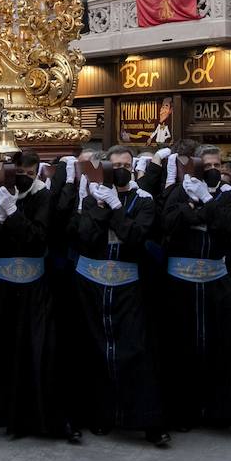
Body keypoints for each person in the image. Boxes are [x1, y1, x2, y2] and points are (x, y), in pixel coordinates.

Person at [159, 146, 231, 433]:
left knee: (228, 345)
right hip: (179, 282)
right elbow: (169, 225)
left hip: (214, 278)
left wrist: (206, 203)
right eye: (206, 164)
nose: (211, 169)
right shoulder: (178, 191)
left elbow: (230, 226)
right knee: (178, 346)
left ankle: (230, 411)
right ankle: (180, 411)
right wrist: (194, 210)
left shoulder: (229, 194)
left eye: (216, 164)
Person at [70, 146, 166, 444]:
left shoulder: (144, 200)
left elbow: (137, 237)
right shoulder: (91, 198)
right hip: (93, 282)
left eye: (127, 164)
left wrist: (116, 209)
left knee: (134, 350)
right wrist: (101, 206)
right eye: (116, 165)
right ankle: (101, 414)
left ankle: (147, 420)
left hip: (128, 285)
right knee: (95, 348)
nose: (121, 169)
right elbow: (85, 236)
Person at [0, 150, 75, 441]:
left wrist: (14, 214)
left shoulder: (42, 198)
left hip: (34, 286)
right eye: (17, 173)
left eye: (29, 174)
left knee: (41, 351)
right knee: (6, 349)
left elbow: (36, 238)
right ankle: (10, 417)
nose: (23, 178)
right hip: (4, 287)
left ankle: (46, 418)